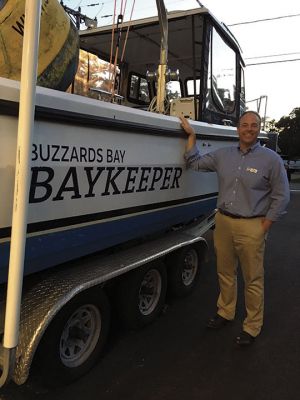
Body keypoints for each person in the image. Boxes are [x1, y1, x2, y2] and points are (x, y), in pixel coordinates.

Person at [181, 111, 290, 346]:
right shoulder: (224, 155)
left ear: (259, 129)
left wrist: (266, 224)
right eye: (244, 125)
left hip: (253, 225)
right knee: (225, 272)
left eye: (254, 125)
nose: (249, 129)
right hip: (223, 222)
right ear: (238, 129)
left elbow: (282, 196)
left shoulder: (271, 160)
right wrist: (192, 135)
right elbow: (195, 163)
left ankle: (252, 326)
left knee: (253, 278)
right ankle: (225, 312)